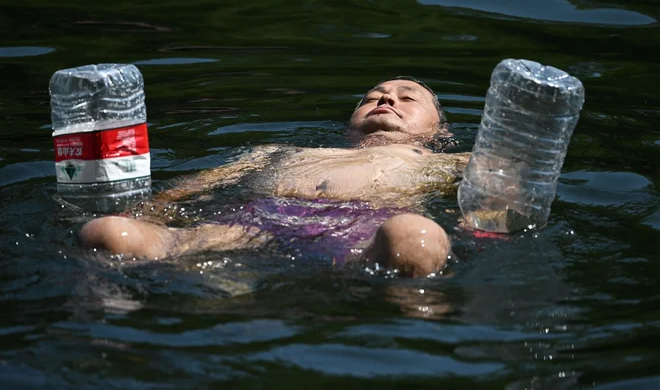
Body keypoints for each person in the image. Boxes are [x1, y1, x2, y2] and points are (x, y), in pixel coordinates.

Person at [79, 77, 472, 277]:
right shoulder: (283, 151)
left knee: (416, 239)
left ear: (442, 133)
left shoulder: (442, 159)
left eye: (407, 97)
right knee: (110, 232)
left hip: (363, 232)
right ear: (351, 121)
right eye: (373, 96)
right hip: (245, 223)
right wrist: (152, 211)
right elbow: (201, 184)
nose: (386, 99)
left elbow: (504, 186)